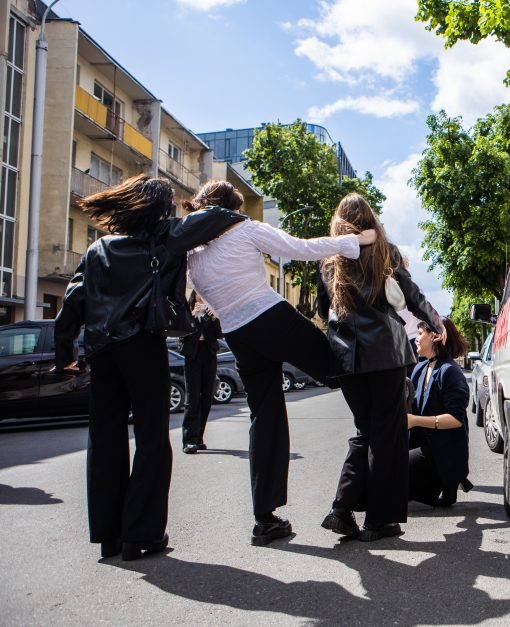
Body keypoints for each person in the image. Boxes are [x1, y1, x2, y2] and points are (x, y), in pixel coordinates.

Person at [54, 174, 247, 561]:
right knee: (152, 439)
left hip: (101, 351)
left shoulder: (99, 249)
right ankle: (141, 535)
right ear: (159, 208)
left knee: (105, 438)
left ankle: (109, 536)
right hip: (142, 346)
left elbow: (73, 302)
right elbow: (221, 214)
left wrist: (66, 356)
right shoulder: (167, 236)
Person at [185, 180, 375, 546]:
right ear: (231, 209)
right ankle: (376, 431)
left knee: (266, 419)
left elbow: (204, 301)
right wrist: (356, 243)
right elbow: (301, 248)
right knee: (338, 365)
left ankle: (265, 519)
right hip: (271, 318)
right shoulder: (244, 229)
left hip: (238, 336)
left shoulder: (192, 255)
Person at [317, 193, 443, 542]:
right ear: (370, 218)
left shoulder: (329, 260)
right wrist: (436, 322)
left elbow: (320, 305)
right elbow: (412, 294)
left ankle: (342, 510)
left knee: (365, 431)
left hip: (347, 357)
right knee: (387, 436)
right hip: (385, 353)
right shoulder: (384, 251)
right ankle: (380, 520)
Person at [407, 318, 472, 507]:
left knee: (393, 472)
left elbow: (455, 419)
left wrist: (414, 420)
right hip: (424, 446)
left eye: (420, 334)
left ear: (434, 336)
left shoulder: (451, 371)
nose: (416, 339)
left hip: (443, 454)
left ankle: (447, 483)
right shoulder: (420, 368)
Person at [180, 292, 223, 454]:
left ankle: (198, 438)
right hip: (193, 356)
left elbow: (219, 334)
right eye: (199, 295)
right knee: (192, 399)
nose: (202, 298)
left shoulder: (212, 311)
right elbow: (183, 334)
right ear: (194, 296)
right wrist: (193, 317)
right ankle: (189, 440)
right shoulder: (188, 311)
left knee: (206, 398)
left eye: (204, 295)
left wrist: (213, 318)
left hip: (209, 354)